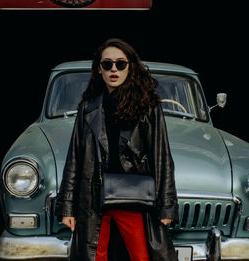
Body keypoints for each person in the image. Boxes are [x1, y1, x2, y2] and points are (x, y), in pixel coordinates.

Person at [55, 38, 179, 261]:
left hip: (134, 198)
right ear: (99, 69)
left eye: (120, 64)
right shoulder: (88, 107)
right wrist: (67, 207)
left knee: (141, 257)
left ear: (130, 67)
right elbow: (75, 157)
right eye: (107, 64)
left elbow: (162, 157)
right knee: (95, 256)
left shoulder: (148, 107)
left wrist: (167, 206)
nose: (114, 69)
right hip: (94, 200)